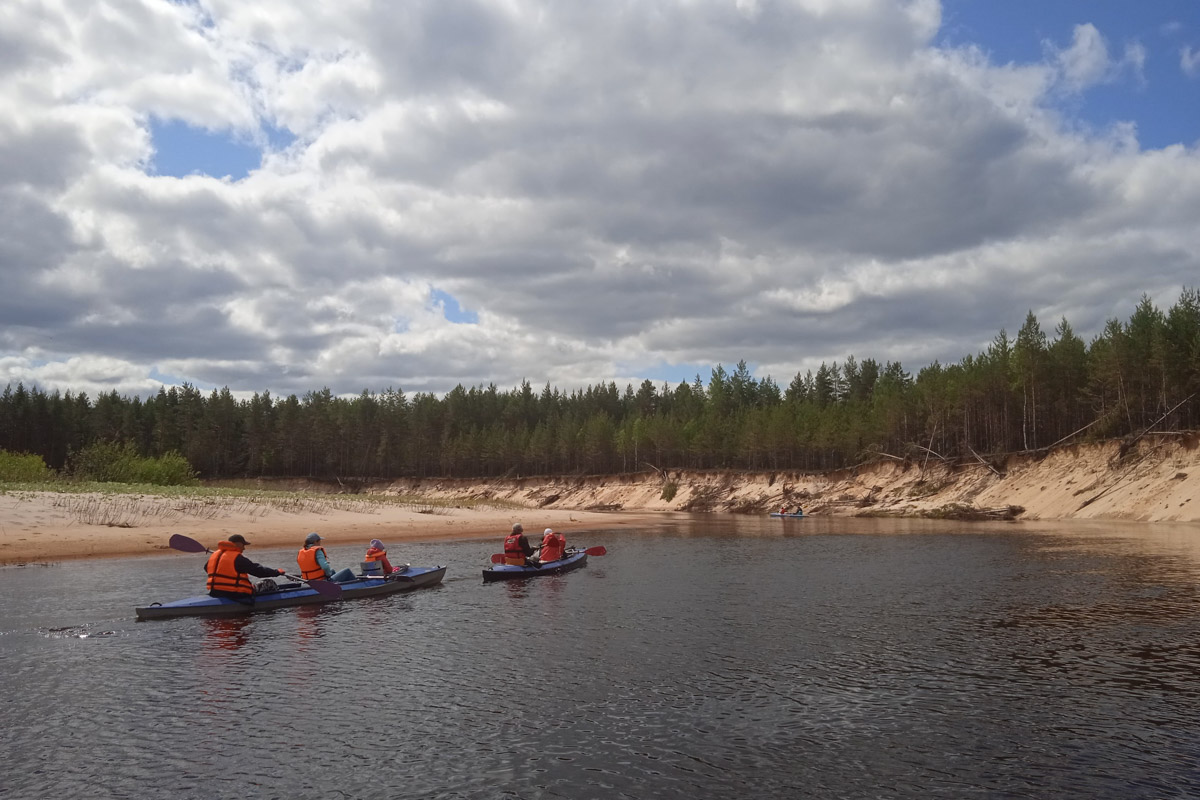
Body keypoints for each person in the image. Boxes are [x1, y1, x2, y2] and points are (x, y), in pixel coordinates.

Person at [206, 534, 287, 603]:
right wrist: (276, 572)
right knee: (269, 583)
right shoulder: (238, 559)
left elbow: (207, 568)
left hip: (215, 592)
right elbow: (258, 571)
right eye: (243, 545)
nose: (244, 548)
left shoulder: (215, 556)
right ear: (237, 544)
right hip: (236, 594)